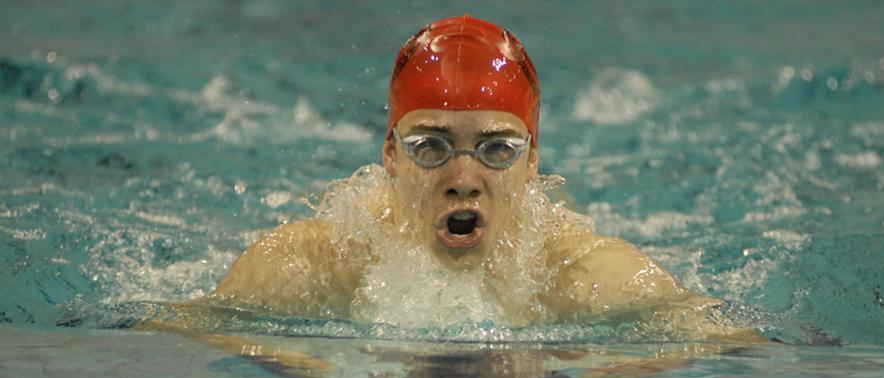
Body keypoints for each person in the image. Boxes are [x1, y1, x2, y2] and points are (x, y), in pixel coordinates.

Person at [208, 14, 758, 341]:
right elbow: (184, 333)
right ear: (390, 156)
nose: (464, 178)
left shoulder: (588, 278)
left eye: (497, 149)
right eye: (430, 146)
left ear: (533, 163)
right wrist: (298, 357)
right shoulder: (314, 265)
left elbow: (736, 348)